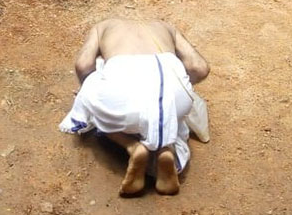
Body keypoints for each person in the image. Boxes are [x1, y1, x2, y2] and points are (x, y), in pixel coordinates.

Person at [60, 19, 210, 197]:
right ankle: (166, 150)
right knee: (167, 111)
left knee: (90, 91)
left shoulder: (103, 26)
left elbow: (83, 65)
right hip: (169, 87)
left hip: (122, 94)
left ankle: (133, 147)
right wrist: (183, 86)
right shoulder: (166, 27)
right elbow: (199, 68)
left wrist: (87, 90)